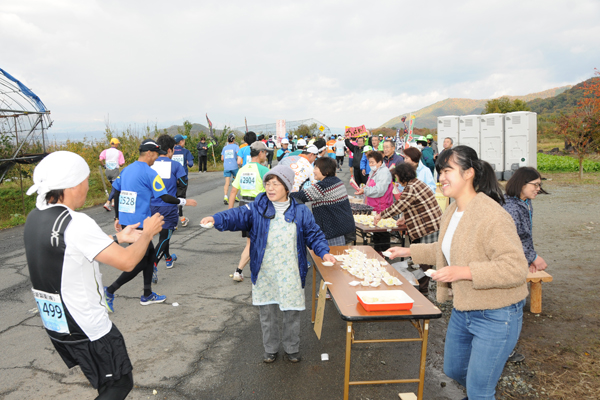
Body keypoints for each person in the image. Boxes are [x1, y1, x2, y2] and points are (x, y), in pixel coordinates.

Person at [385, 145, 528, 400]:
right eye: (440, 171)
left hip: (497, 313)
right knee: (454, 369)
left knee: (480, 389)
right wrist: (406, 252)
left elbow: (515, 268)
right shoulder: (452, 210)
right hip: (465, 308)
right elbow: (444, 248)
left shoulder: (493, 215)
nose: (441, 178)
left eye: (447, 170)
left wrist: (461, 272)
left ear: (469, 173)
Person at [24, 151, 164, 400]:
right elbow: (129, 261)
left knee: (105, 381)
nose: (88, 186)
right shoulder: (76, 222)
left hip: (59, 322)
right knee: (119, 384)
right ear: (73, 184)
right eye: (86, 180)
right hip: (88, 326)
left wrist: (118, 238)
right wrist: (147, 233)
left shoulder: (36, 217)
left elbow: (69, 250)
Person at [200, 165, 335, 363]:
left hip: (291, 271)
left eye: (276, 184)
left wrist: (324, 253)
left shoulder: (300, 211)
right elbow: (235, 216)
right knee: (267, 313)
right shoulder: (257, 207)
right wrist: (216, 218)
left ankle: (291, 348)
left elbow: (314, 234)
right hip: (265, 270)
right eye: (268, 184)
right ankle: (270, 348)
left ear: (287, 187)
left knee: (291, 312)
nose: (270, 188)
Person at [106, 139, 192, 311]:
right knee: (138, 261)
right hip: (138, 224)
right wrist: (184, 201)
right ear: (149, 153)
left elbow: (116, 191)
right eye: (156, 154)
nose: (156, 158)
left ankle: (147, 294)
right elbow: (165, 197)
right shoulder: (149, 172)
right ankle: (109, 290)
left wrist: (117, 217)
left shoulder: (127, 170)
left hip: (126, 222)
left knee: (150, 256)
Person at [502, 166, 549, 364]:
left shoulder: (525, 202)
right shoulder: (511, 207)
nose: (538, 188)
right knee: (512, 306)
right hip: (509, 262)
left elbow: (527, 235)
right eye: (535, 185)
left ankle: (506, 349)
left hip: (519, 260)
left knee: (516, 304)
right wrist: (533, 256)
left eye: (540, 185)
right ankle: (504, 351)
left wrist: (530, 258)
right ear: (521, 184)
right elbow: (514, 239)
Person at [374, 163, 442, 294]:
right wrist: (404, 218)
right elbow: (413, 205)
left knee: (424, 259)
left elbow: (398, 206)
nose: (396, 180)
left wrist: (380, 215)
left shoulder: (411, 188)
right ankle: (420, 287)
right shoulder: (417, 184)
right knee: (422, 258)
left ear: (402, 176)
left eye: (397, 177)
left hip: (428, 227)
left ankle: (422, 290)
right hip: (431, 225)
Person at [151, 135, 198, 281]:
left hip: (152, 205)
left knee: (162, 235)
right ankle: (153, 264)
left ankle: (169, 258)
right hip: (169, 205)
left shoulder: (151, 164)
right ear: (170, 150)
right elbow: (183, 182)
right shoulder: (175, 165)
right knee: (165, 236)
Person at [228, 141, 270, 282]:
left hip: (243, 206)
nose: (266, 154)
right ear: (260, 153)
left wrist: (230, 212)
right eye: (265, 152)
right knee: (256, 241)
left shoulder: (242, 169)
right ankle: (239, 270)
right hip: (258, 207)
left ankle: (241, 271)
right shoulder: (263, 170)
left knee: (251, 241)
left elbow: (233, 190)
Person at [290, 157, 355, 246]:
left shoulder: (323, 186)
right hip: (344, 229)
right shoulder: (337, 181)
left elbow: (300, 196)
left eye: (316, 168)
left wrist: (282, 193)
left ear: (326, 171)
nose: (313, 171)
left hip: (334, 233)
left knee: (332, 257)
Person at [354, 151, 394, 253]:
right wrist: (364, 188)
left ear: (380, 162)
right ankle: (378, 252)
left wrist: (365, 190)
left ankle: (385, 254)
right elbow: (370, 185)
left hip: (382, 205)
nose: (371, 165)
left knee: (383, 232)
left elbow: (380, 190)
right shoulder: (374, 172)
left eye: (373, 162)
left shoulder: (384, 172)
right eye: (369, 162)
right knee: (376, 231)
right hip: (374, 205)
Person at [173, 134, 194, 227]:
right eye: (184, 140)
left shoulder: (170, 151)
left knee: (172, 198)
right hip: (182, 178)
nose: (184, 142)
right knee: (181, 198)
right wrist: (187, 162)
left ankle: (172, 220)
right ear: (181, 142)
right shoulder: (186, 151)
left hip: (172, 178)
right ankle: (181, 218)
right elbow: (191, 164)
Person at [99, 138, 125, 211]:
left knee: (113, 187)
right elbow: (122, 163)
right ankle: (107, 203)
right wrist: (120, 165)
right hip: (115, 171)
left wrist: (104, 165)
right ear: (116, 144)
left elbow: (100, 159)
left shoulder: (105, 151)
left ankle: (113, 202)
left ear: (111, 143)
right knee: (115, 188)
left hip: (107, 171)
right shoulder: (119, 152)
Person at [221, 134, 240, 205]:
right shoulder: (236, 146)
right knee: (236, 182)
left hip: (226, 167)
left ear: (227, 140)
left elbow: (222, 158)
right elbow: (239, 154)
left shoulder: (224, 148)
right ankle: (235, 196)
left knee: (226, 183)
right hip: (234, 166)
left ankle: (225, 196)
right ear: (234, 140)